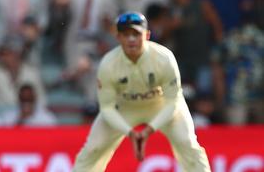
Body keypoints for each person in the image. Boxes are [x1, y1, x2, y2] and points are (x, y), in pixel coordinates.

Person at [72, 12, 210, 171]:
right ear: (118, 37)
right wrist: (130, 133)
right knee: (92, 150)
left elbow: (173, 102)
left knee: (188, 145)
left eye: (136, 34)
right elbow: (107, 108)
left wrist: (149, 130)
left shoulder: (164, 58)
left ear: (147, 35)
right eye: (126, 34)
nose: (131, 39)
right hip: (124, 108)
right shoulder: (109, 64)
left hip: (162, 105)